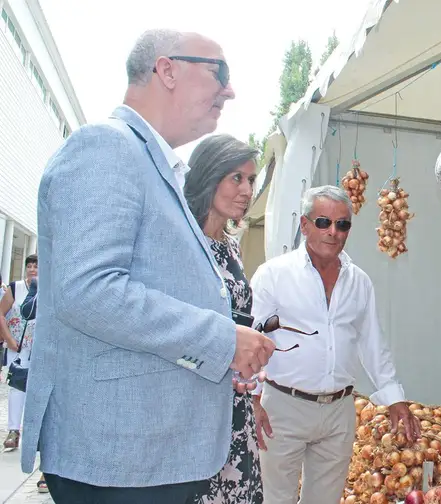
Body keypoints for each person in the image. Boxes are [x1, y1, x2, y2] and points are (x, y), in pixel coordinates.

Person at [21, 29, 276, 504]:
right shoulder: (107, 147)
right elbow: (89, 291)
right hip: (120, 463)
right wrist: (221, 339)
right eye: (218, 72)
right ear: (167, 70)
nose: (230, 90)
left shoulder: (152, 165)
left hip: (147, 459)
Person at [249, 185, 421, 504]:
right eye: (323, 222)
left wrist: (395, 399)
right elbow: (252, 339)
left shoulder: (359, 282)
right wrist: (253, 400)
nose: (333, 232)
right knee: (275, 499)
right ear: (304, 225)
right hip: (283, 408)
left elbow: (373, 343)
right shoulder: (273, 275)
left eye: (342, 224)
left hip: (339, 410)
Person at [184, 133, 264, 504]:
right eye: (236, 178)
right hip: (192, 412)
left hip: (235, 411)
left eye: (251, 180)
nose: (247, 190)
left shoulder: (231, 247)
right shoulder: (181, 243)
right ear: (208, 177)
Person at [1, 254, 38, 451]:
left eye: (36, 266)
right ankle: (14, 431)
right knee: (17, 388)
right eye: (29, 266)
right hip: (17, 346)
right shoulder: (15, 288)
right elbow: (0, 313)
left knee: (36, 390)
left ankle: (34, 434)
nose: (32, 269)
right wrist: (8, 339)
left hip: (40, 349)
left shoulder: (47, 289)